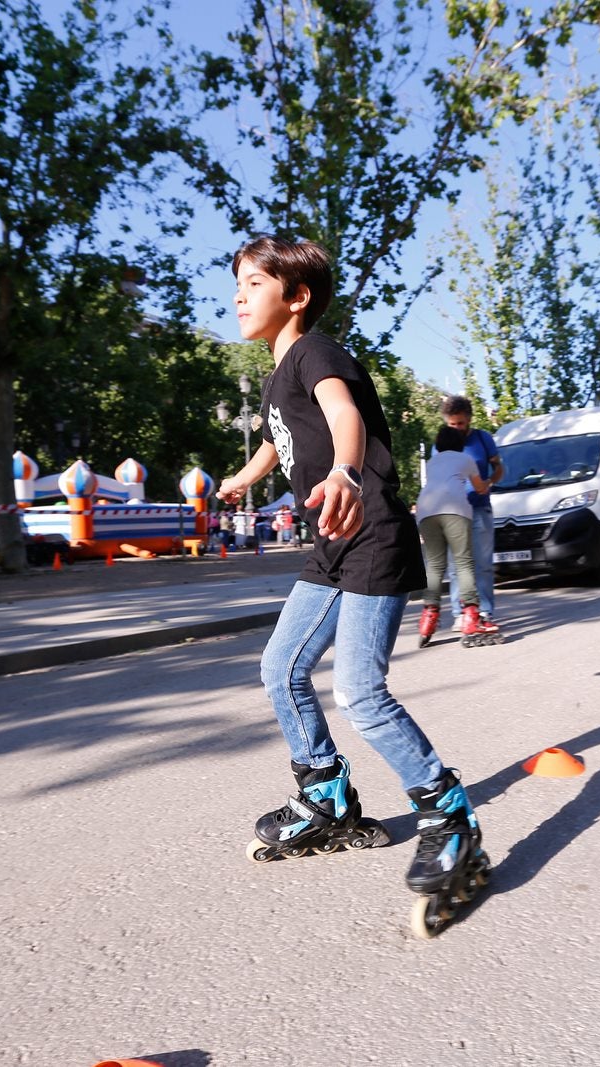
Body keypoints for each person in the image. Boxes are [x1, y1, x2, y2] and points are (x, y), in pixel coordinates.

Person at [216, 235, 488, 917]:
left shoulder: (318, 353)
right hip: (333, 547)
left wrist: (343, 469)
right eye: (238, 284)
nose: (239, 296)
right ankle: (325, 795)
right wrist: (244, 476)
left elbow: (340, 414)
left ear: (297, 296)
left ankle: (448, 813)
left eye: (253, 283)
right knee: (280, 668)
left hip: (373, 537)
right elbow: (279, 440)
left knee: (361, 693)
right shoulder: (281, 373)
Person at [416, 424, 495, 646]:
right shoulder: (466, 460)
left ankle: (428, 620)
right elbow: (479, 488)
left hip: (426, 511)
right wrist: (488, 482)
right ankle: (471, 616)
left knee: (434, 565)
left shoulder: (432, 463)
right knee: (463, 563)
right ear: (460, 443)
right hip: (455, 510)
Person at [439, 395, 504, 629]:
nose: (456, 428)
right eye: (452, 424)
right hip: (453, 511)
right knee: (457, 565)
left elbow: (498, 467)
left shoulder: (483, 439)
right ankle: (460, 613)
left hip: (479, 508)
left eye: (461, 424)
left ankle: (485, 612)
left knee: (482, 564)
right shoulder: (442, 442)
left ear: (469, 420)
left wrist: (490, 482)